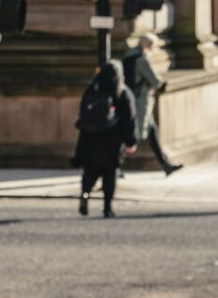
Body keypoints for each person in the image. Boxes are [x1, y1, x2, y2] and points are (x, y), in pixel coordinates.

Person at [72, 60, 136, 218]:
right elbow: (129, 118)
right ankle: (107, 207)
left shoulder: (92, 89)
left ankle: (85, 194)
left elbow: (83, 113)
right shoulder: (122, 92)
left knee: (90, 170)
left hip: (90, 136)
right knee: (110, 172)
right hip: (112, 139)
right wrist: (131, 141)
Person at [122, 34, 182, 175]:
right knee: (132, 136)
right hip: (140, 102)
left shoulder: (129, 56)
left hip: (134, 100)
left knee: (152, 133)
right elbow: (155, 81)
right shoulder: (142, 60)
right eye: (154, 46)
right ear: (149, 46)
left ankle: (165, 164)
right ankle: (114, 166)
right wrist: (161, 85)